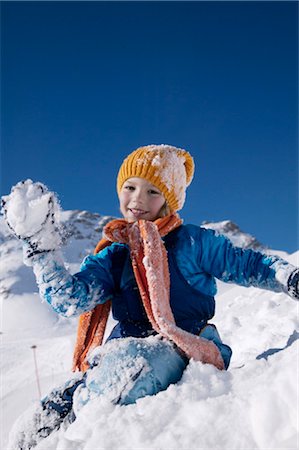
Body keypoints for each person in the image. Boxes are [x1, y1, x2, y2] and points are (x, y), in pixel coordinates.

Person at [2, 144, 299, 448]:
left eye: (153, 192)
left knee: (119, 380)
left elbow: (248, 264)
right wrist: (41, 249)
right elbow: (70, 299)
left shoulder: (193, 242)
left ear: (169, 200)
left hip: (184, 345)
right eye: (130, 187)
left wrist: (288, 277)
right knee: (32, 429)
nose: (138, 199)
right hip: (119, 354)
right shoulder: (115, 254)